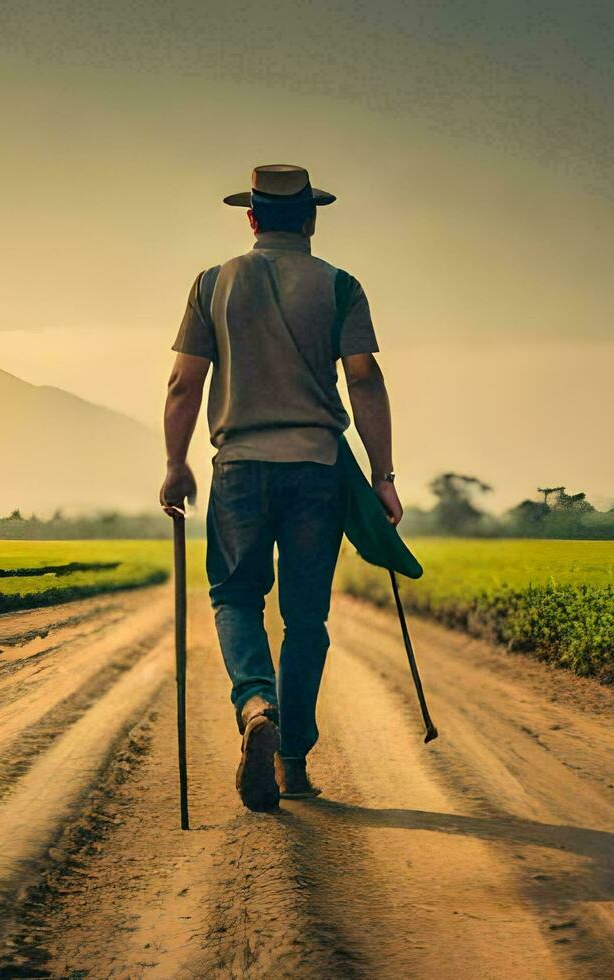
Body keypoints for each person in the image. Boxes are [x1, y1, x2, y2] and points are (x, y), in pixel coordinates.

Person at [159, 164, 402, 812]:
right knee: (305, 618)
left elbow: (184, 384)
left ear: (252, 218)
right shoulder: (340, 286)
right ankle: (292, 760)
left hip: (238, 466)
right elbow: (365, 377)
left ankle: (255, 702)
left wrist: (175, 464)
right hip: (317, 469)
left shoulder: (213, 285)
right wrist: (382, 477)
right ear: (311, 220)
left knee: (235, 597)